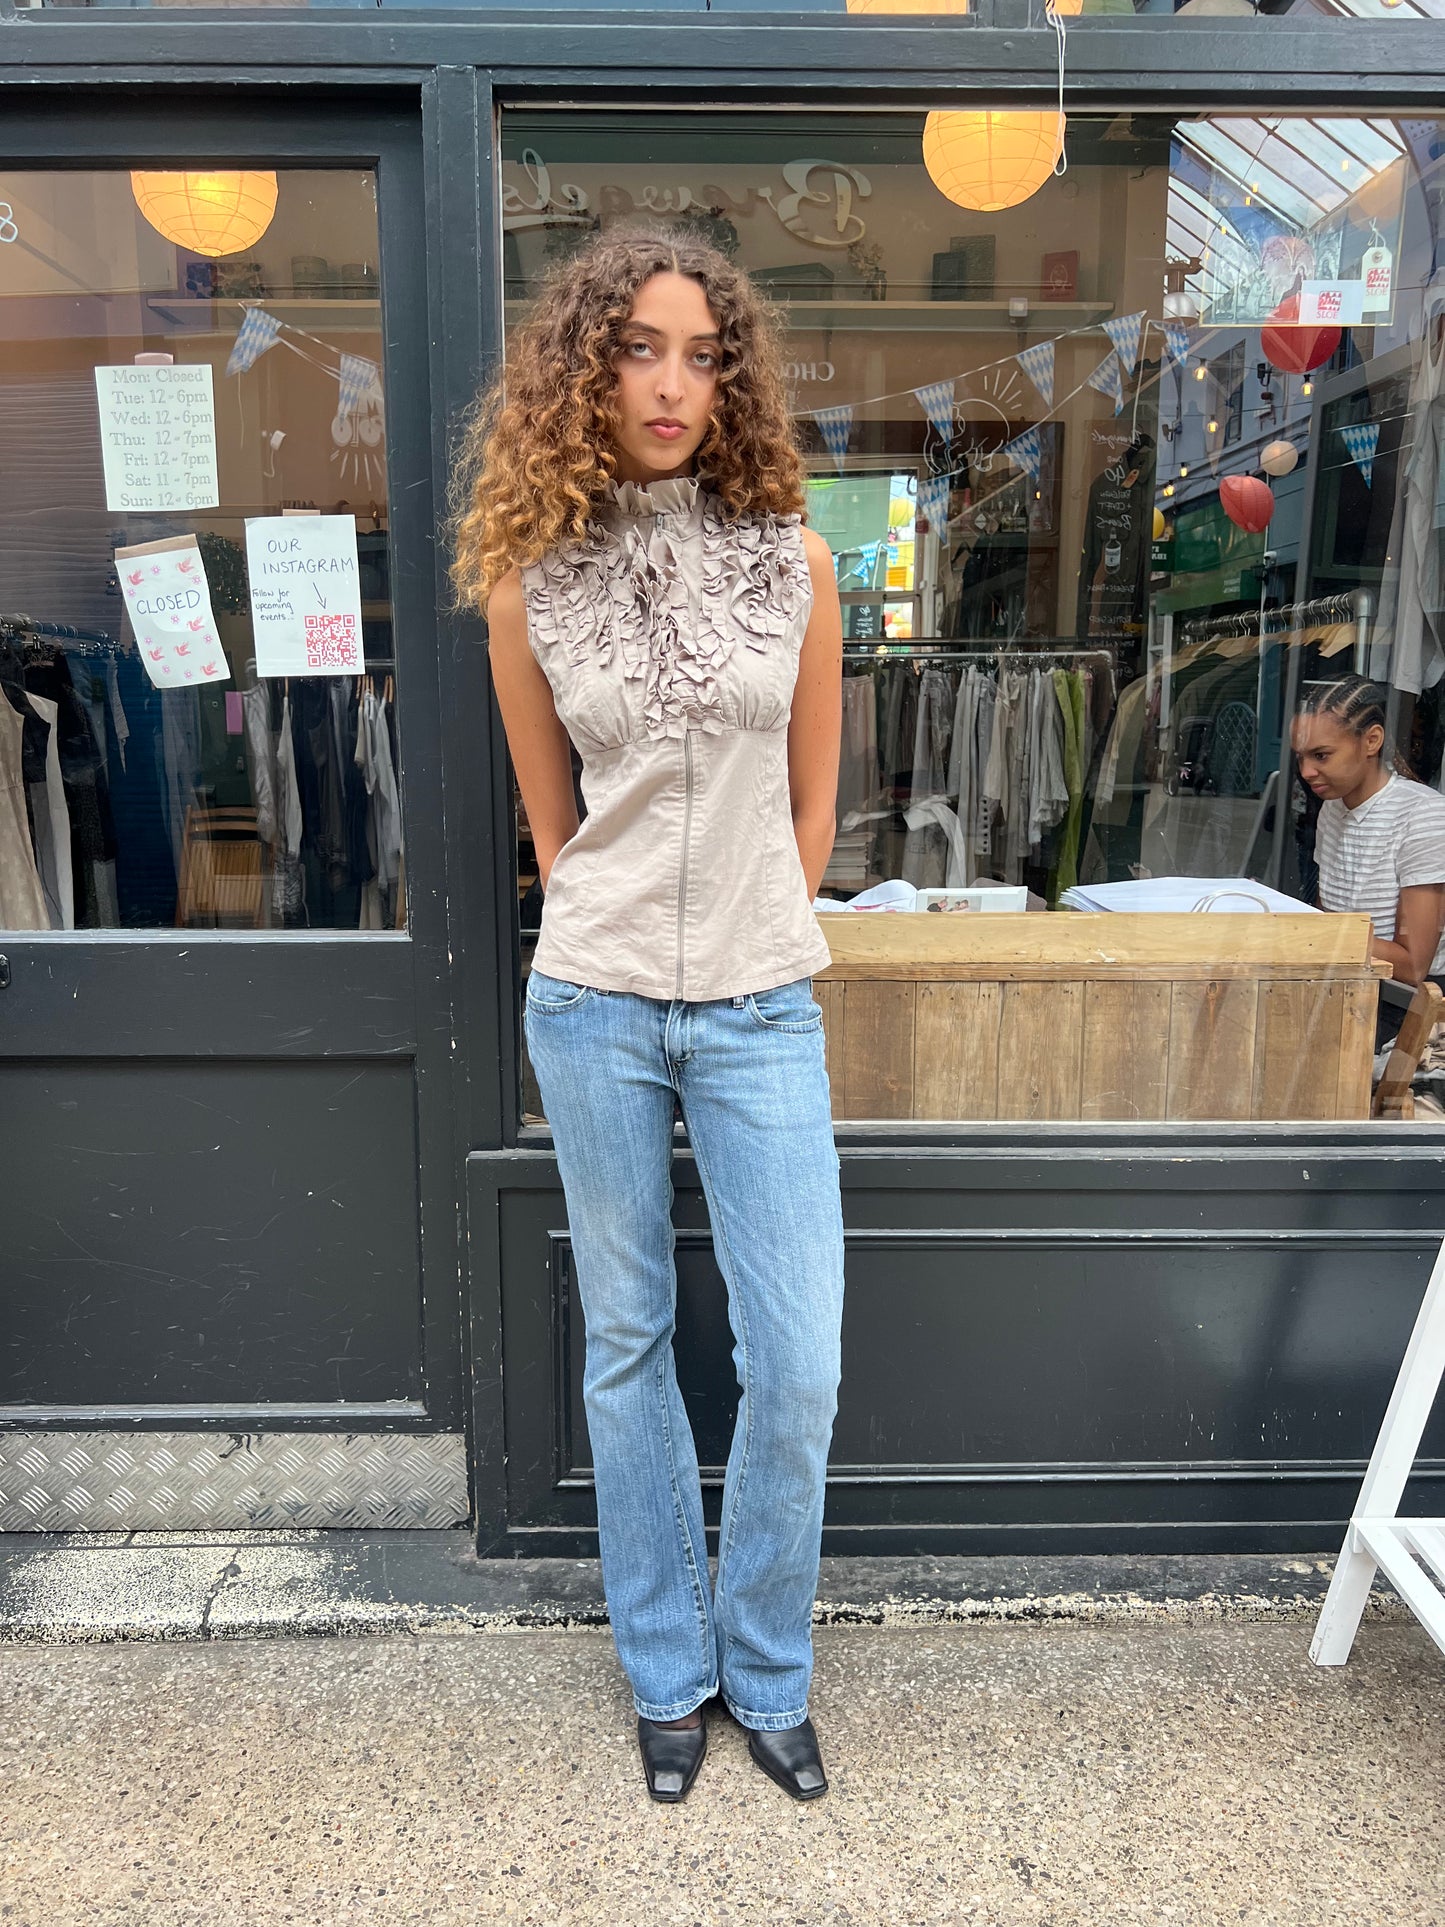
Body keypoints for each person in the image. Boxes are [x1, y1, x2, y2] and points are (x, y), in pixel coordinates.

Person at [449, 225, 846, 1804]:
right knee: (629, 1340)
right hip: (598, 1001)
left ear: (728, 375)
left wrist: (759, 925)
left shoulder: (794, 556)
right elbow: (554, 831)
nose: (671, 382)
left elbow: (814, 804)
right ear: (584, 369)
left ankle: (768, 1664)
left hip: (760, 1004)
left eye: (699, 353)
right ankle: (667, 1674)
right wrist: (613, 931)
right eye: (636, 349)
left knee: (794, 1357)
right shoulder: (528, 580)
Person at [1291, 675, 1445, 1030]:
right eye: (1300, 757)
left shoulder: (1424, 816)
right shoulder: (1333, 807)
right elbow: (1330, 914)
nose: (1306, 771)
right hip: (1349, 985)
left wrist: (1307, 930)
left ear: (1371, 740)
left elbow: (1412, 968)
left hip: (1404, 1009)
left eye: (1321, 755)